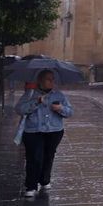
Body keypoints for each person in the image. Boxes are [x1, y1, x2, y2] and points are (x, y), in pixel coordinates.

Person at [15, 70, 72, 198]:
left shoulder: (59, 95)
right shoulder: (30, 94)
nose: (52, 82)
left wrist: (61, 109)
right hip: (33, 131)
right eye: (48, 79)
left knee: (48, 156)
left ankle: (45, 180)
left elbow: (70, 112)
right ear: (40, 81)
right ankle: (31, 185)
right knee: (34, 157)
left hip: (54, 131)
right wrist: (36, 102)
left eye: (53, 79)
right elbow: (19, 109)